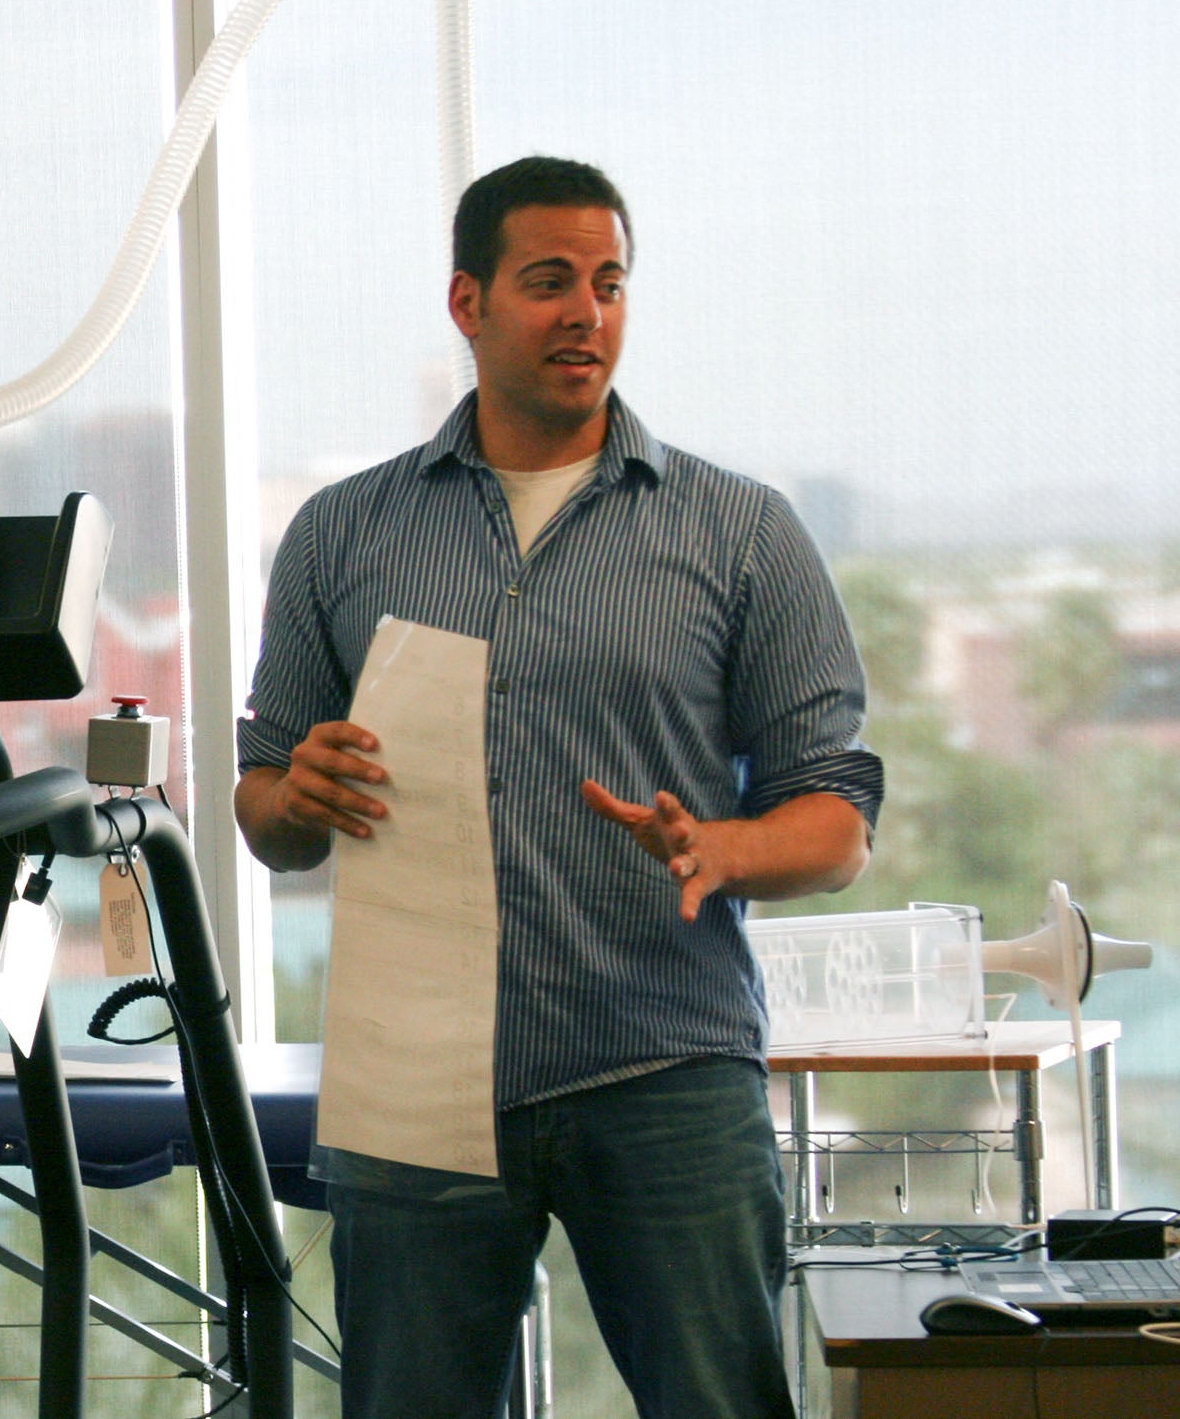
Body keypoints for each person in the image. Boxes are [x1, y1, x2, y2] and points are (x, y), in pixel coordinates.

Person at [234, 155, 883, 1419]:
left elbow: (838, 818)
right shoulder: (343, 532)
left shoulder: (738, 531)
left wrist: (724, 848)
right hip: (417, 1069)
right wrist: (291, 792)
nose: (585, 311)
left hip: (661, 1059)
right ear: (467, 304)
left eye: (608, 282)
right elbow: (268, 814)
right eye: (548, 283)